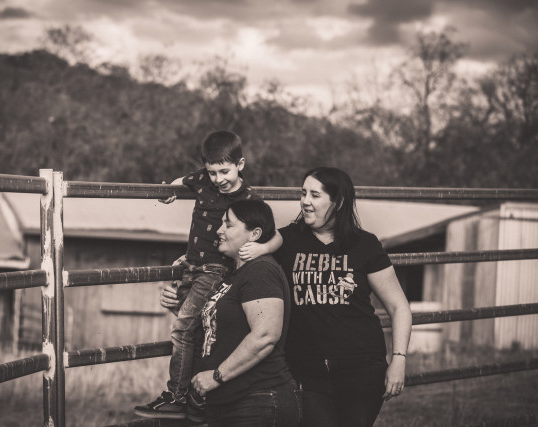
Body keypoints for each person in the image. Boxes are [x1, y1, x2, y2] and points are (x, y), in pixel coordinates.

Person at [241, 167, 412, 427]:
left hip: (363, 368)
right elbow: (242, 256)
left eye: (315, 195)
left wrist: (399, 359)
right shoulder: (285, 241)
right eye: (303, 193)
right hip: (306, 372)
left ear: (338, 202)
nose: (305, 201)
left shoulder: (364, 244)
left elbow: (399, 307)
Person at [134, 130, 260, 420]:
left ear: (240, 164)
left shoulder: (247, 199)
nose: (218, 179)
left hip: (217, 268)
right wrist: (171, 190)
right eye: (212, 172)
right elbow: (183, 181)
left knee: (182, 327)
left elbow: (267, 232)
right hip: (191, 264)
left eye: (225, 171)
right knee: (191, 322)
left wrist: (260, 247)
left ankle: (176, 396)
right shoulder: (202, 180)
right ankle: (196, 397)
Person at [161, 199, 300, 426]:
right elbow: (222, 328)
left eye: (228, 224)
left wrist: (217, 376)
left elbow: (265, 335)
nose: (219, 230)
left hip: (257, 401)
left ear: (254, 234)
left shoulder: (261, 270)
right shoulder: (232, 275)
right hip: (231, 403)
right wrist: (179, 309)